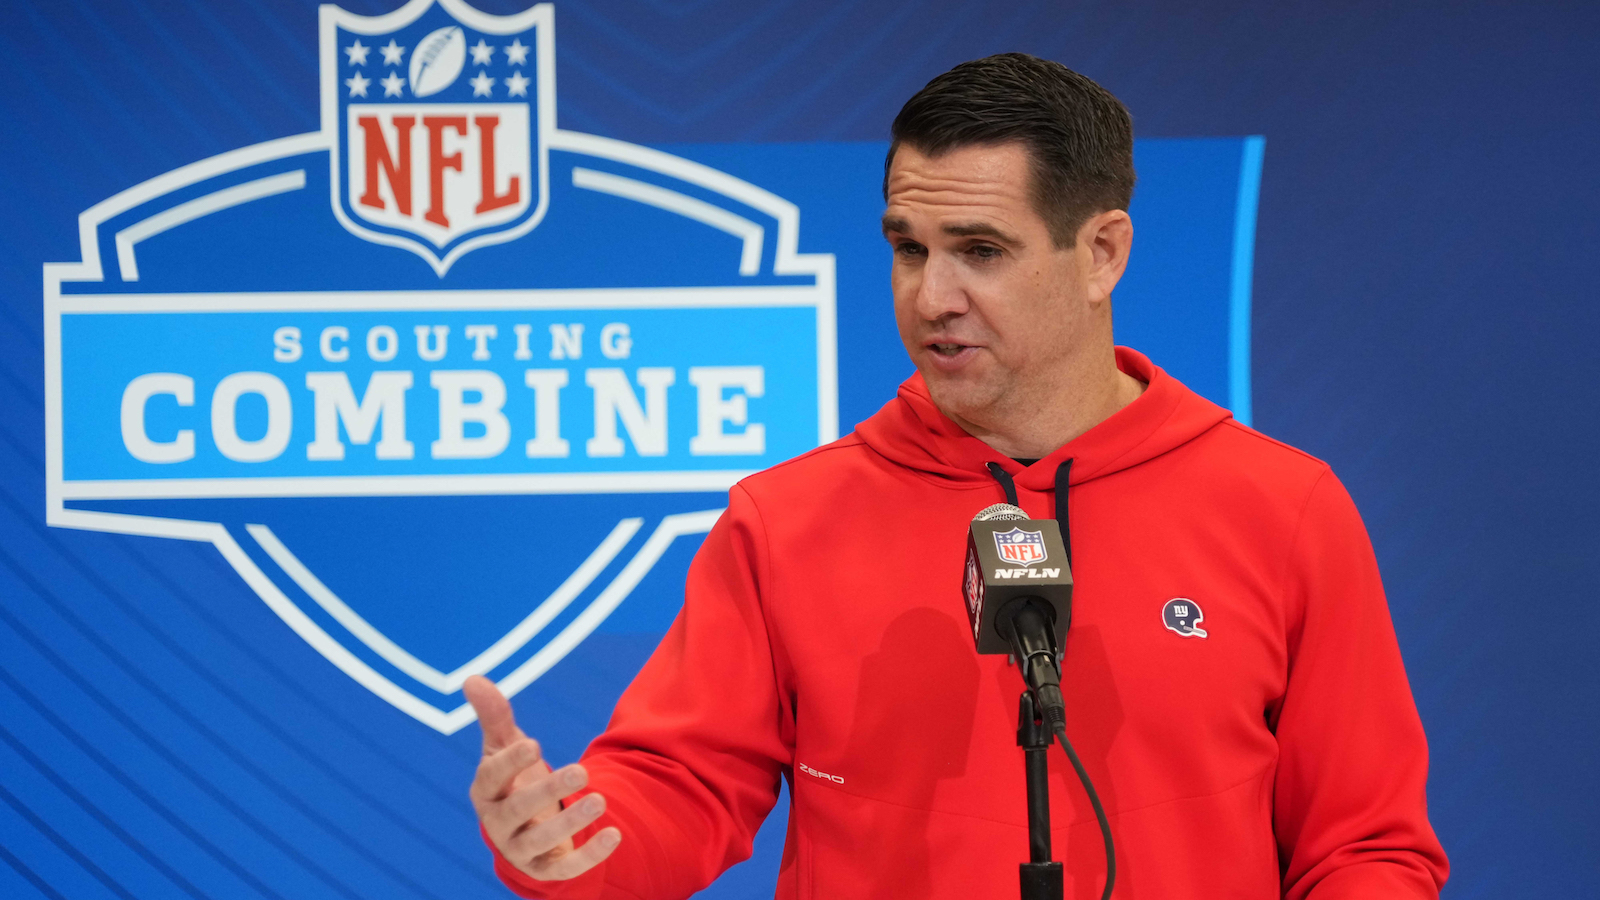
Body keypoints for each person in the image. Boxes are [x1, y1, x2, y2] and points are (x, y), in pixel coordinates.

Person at [464, 53, 1449, 899]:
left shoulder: (1281, 508)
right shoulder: (786, 521)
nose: (932, 296)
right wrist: (570, 847)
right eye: (908, 247)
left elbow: (1364, 846)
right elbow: (677, 786)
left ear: (1100, 251)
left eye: (980, 251)